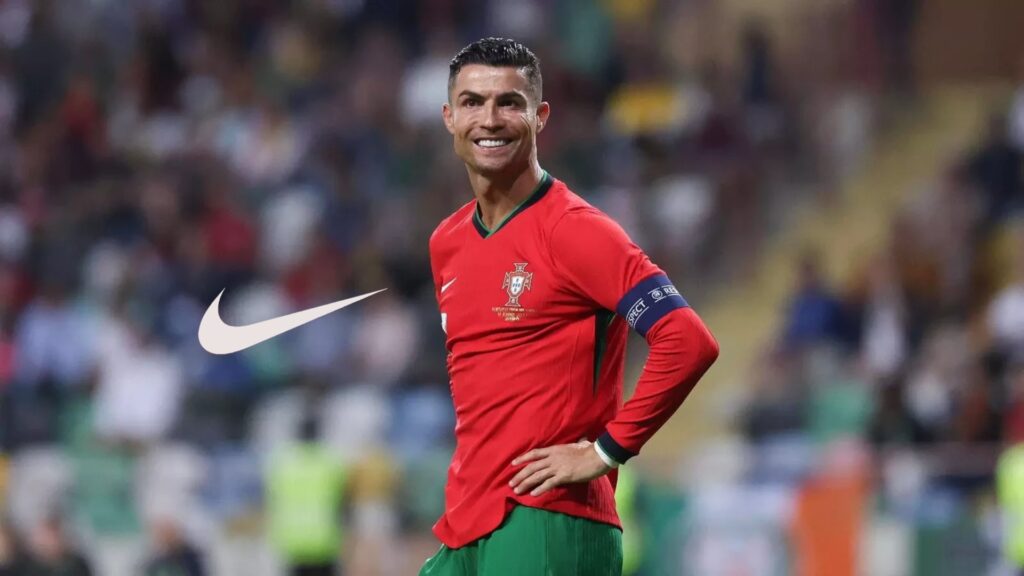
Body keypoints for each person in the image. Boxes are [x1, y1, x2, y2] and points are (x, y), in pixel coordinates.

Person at [421, 38, 719, 575]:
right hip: (468, 520)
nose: (490, 119)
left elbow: (687, 339)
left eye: (509, 103)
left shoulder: (575, 231)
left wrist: (605, 452)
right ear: (449, 117)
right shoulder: (447, 242)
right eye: (472, 102)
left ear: (540, 116)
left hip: (549, 517)